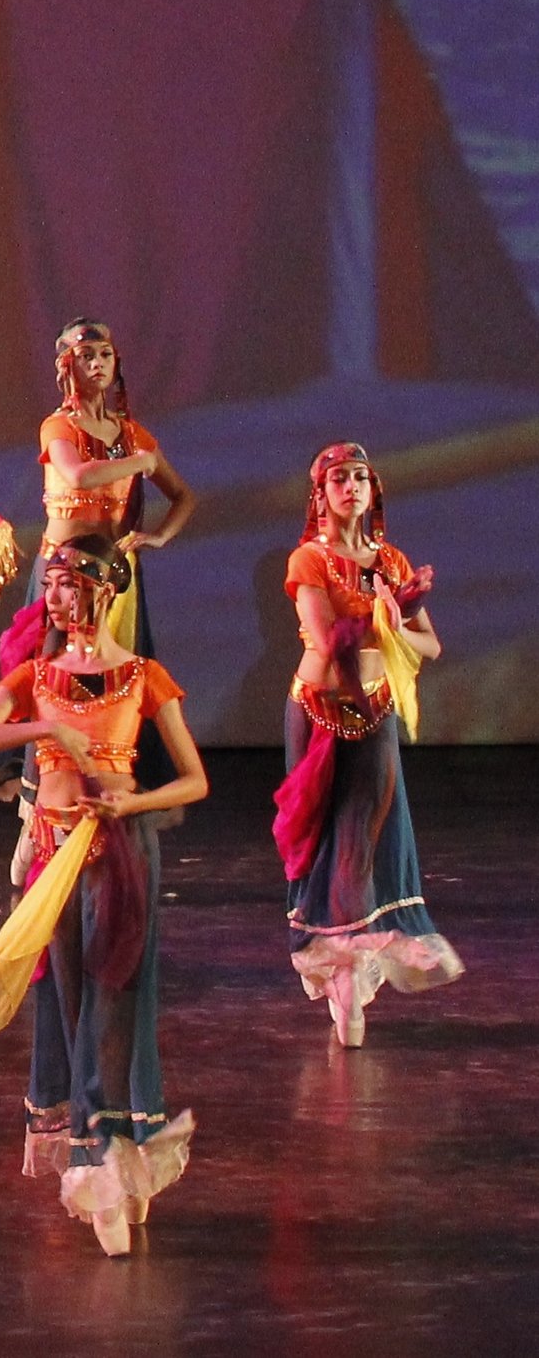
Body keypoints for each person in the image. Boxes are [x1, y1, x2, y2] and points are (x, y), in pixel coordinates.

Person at [0, 537, 207, 1256]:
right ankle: (106, 1160)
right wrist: (46, 725)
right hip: (56, 852)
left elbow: (195, 779)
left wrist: (137, 801)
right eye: (51, 584)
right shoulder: (37, 675)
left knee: (116, 1003)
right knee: (71, 1008)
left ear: (104, 591)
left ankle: (110, 1156)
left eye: (68, 584)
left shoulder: (141, 676)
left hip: (122, 850)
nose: (54, 597)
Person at [274, 443, 459, 1046]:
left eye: (360, 477)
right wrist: (385, 612)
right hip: (320, 712)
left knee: (360, 839)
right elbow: (329, 642)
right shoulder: (310, 559)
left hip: (374, 709)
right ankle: (340, 976)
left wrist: (400, 616)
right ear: (321, 494)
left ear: (373, 490)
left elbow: (428, 647)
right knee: (324, 843)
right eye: (339, 479)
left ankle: (350, 989)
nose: (351, 486)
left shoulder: (392, 561)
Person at [0, 320, 194, 814]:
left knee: (115, 683)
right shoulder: (59, 426)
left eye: (105, 355)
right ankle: (37, 804)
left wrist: (158, 535)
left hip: (113, 576)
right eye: (86, 355)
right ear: (67, 365)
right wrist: (138, 464)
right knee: (51, 679)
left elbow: (182, 496)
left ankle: (110, 787)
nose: (97, 364)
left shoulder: (131, 433)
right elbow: (75, 474)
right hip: (64, 573)